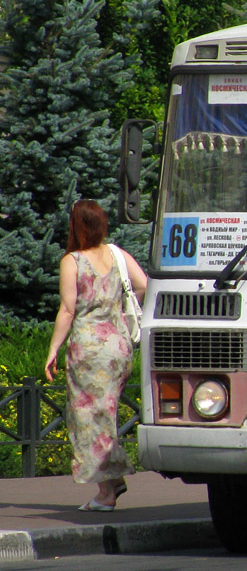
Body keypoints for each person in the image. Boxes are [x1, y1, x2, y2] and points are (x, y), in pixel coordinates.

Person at [44, 200, 147, 512]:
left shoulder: (72, 260)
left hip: (88, 349)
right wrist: (115, 309)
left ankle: (106, 493)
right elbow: (142, 285)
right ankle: (113, 479)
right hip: (119, 347)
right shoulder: (117, 254)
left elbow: (67, 309)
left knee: (89, 419)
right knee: (106, 414)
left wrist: (53, 349)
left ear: (77, 226)